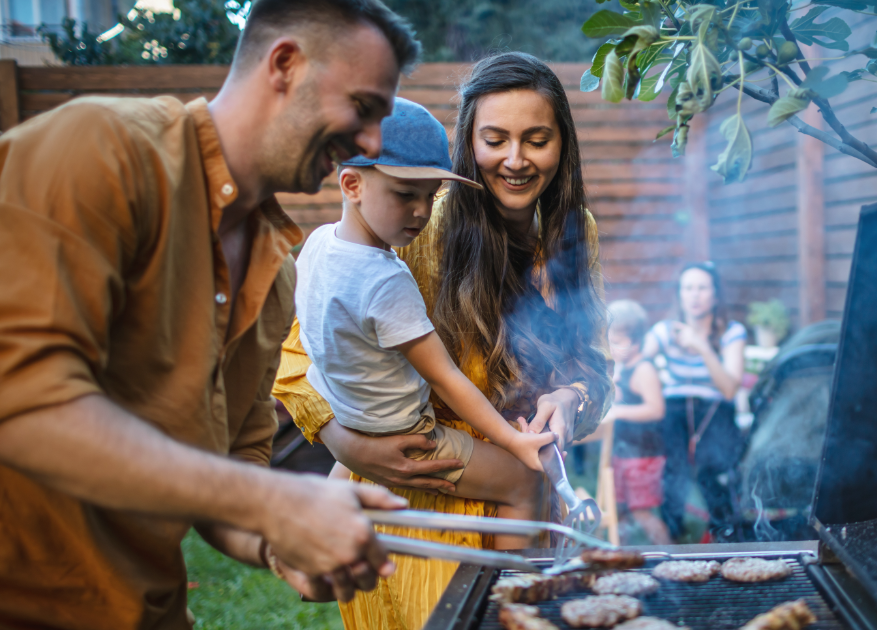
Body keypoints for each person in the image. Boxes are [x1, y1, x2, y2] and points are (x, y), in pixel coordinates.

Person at [0, 1, 428, 626]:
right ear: (285, 64)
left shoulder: (277, 267)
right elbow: (22, 400)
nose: (368, 144)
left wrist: (277, 541)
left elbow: (231, 465)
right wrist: (271, 500)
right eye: (363, 109)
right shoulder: (100, 150)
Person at [273, 52, 612, 629]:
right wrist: (345, 444)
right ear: (466, 143)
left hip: (524, 512)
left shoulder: (576, 231)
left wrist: (572, 400)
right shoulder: (415, 217)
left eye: (537, 139)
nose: (516, 160)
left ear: (563, 144)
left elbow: (596, 369)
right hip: (418, 502)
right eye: (495, 139)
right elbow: (299, 356)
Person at [298, 97, 554, 549]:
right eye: (404, 194)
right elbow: (446, 378)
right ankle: (510, 599)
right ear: (352, 184)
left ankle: (312, 542)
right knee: (524, 484)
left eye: (430, 194)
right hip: (407, 434)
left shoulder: (318, 244)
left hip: (348, 412)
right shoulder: (385, 280)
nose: (421, 211)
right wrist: (515, 444)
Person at [643, 262, 748, 542]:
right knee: (674, 471)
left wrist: (702, 347)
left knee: (713, 469)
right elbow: (637, 360)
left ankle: (726, 536)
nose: (695, 295)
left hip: (715, 408)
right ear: (679, 294)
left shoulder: (731, 332)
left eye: (702, 288)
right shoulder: (665, 330)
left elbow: (728, 389)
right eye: (688, 288)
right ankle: (674, 537)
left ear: (715, 295)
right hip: (675, 406)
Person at [602, 300, 671, 545]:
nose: (612, 347)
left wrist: (619, 411)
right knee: (621, 509)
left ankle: (671, 557)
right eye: (610, 341)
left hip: (643, 456)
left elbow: (656, 409)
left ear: (636, 341)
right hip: (624, 451)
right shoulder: (624, 366)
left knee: (642, 512)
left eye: (618, 342)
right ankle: (623, 556)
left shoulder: (644, 370)